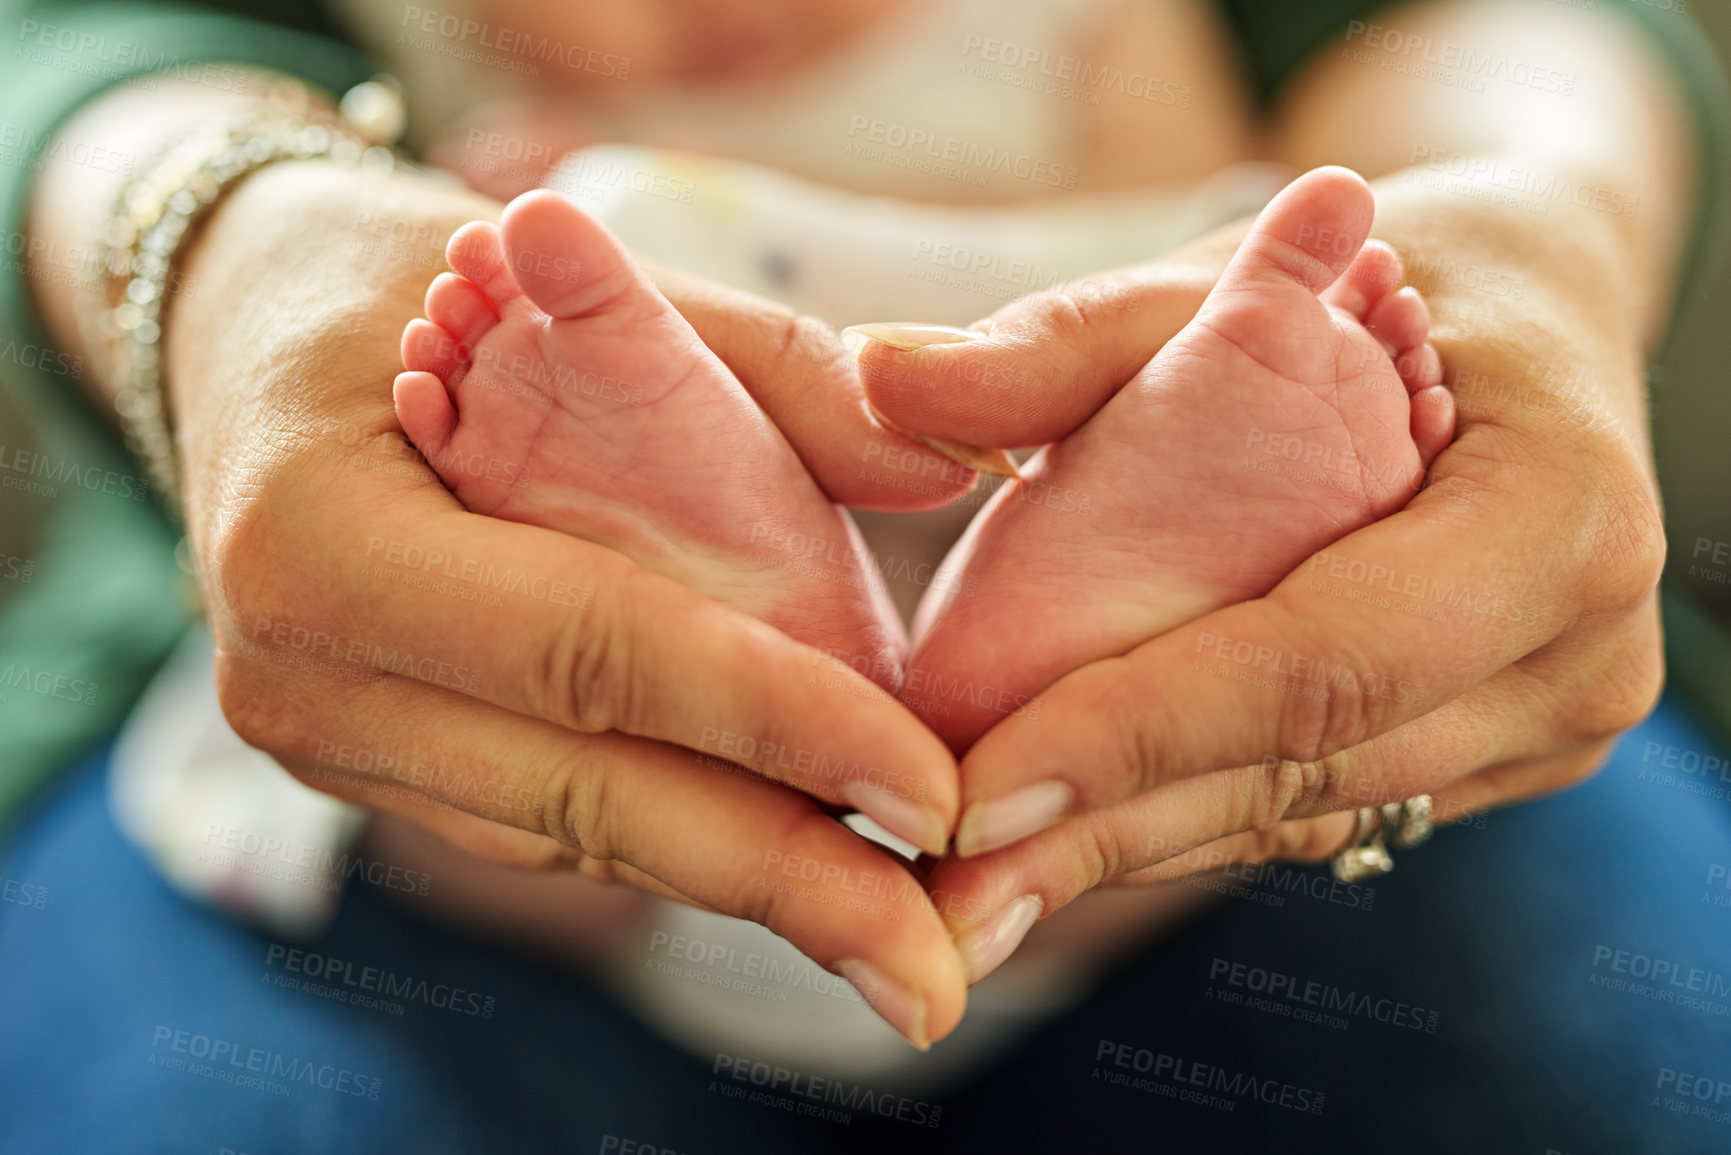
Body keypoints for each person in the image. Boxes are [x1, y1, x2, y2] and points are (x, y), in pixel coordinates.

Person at [1, 0, 1729, 1149]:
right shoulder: (497, 99)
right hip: (607, 563)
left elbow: (1317, 143)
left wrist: (1495, 212)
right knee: (477, 774)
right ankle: (729, 585)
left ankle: (1040, 646)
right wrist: (313, 237)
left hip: (1044, 432)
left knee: (1162, 748)